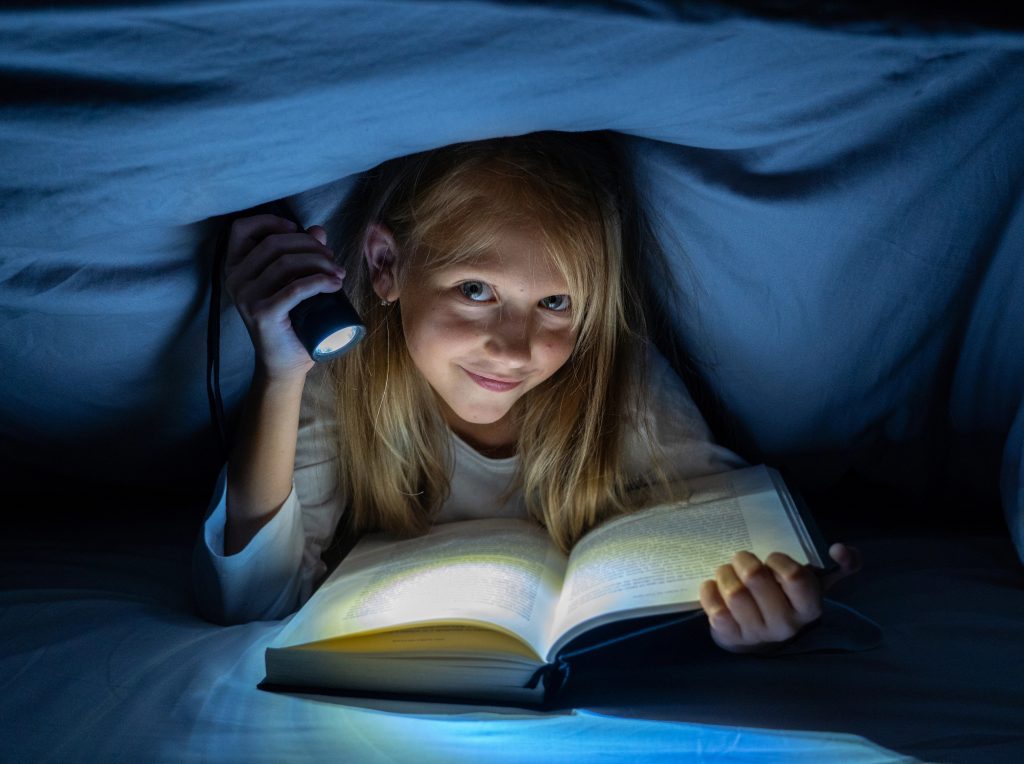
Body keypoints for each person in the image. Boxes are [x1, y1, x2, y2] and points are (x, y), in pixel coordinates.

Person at [192, 130, 860, 653]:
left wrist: (764, 601)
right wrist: (282, 372)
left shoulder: (614, 377)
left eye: (555, 303)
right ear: (385, 264)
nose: (515, 349)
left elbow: (724, 528)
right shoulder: (345, 376)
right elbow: (252, 602)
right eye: (475, 290)